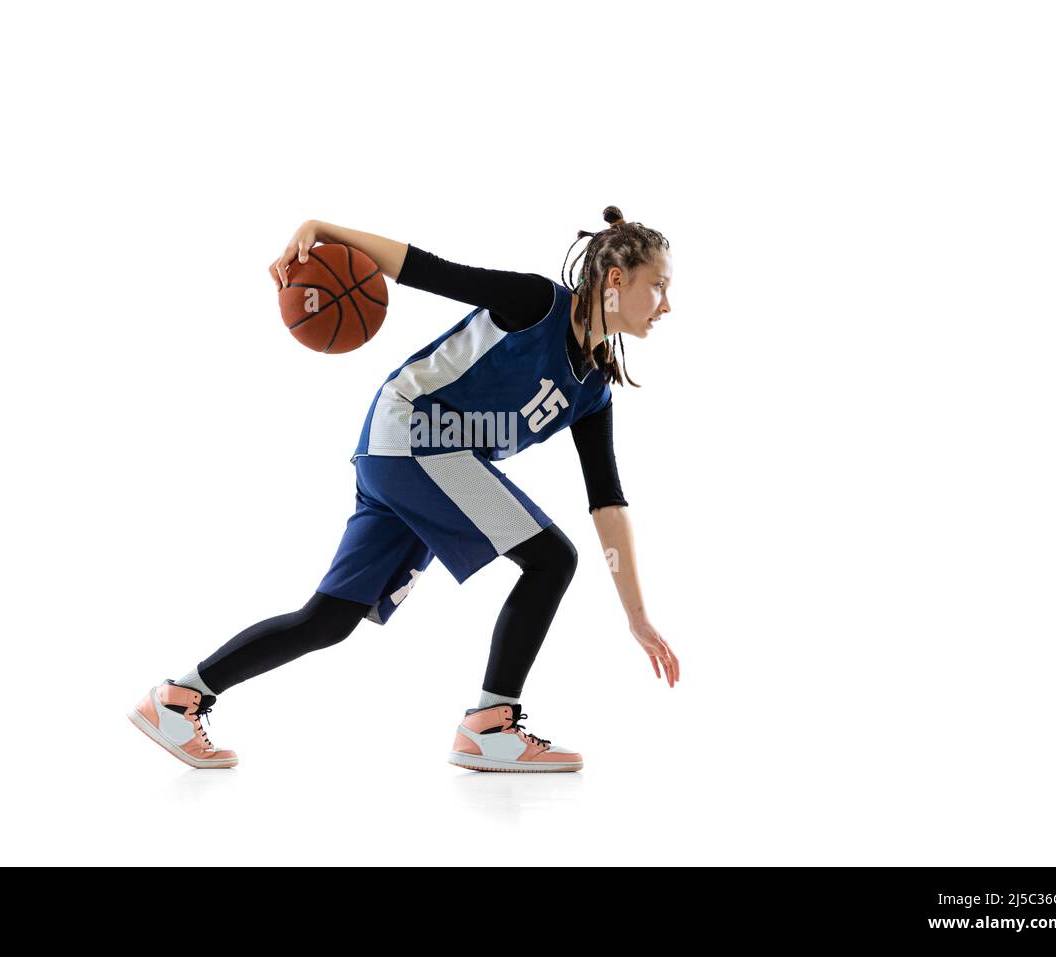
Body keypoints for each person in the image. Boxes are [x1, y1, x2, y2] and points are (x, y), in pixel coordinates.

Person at [127, 205, 678, 772]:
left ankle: (178, 699)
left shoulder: (593, 390)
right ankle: (491, 724)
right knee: (551, 559)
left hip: (409, 458)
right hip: (414, 437)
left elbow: (607, 501)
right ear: (616, 280)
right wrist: (325, 228)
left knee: (329, 619)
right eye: (658, 286)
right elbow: (427, 269)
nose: (666, 305)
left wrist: (637, 616)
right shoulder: (536, 304)